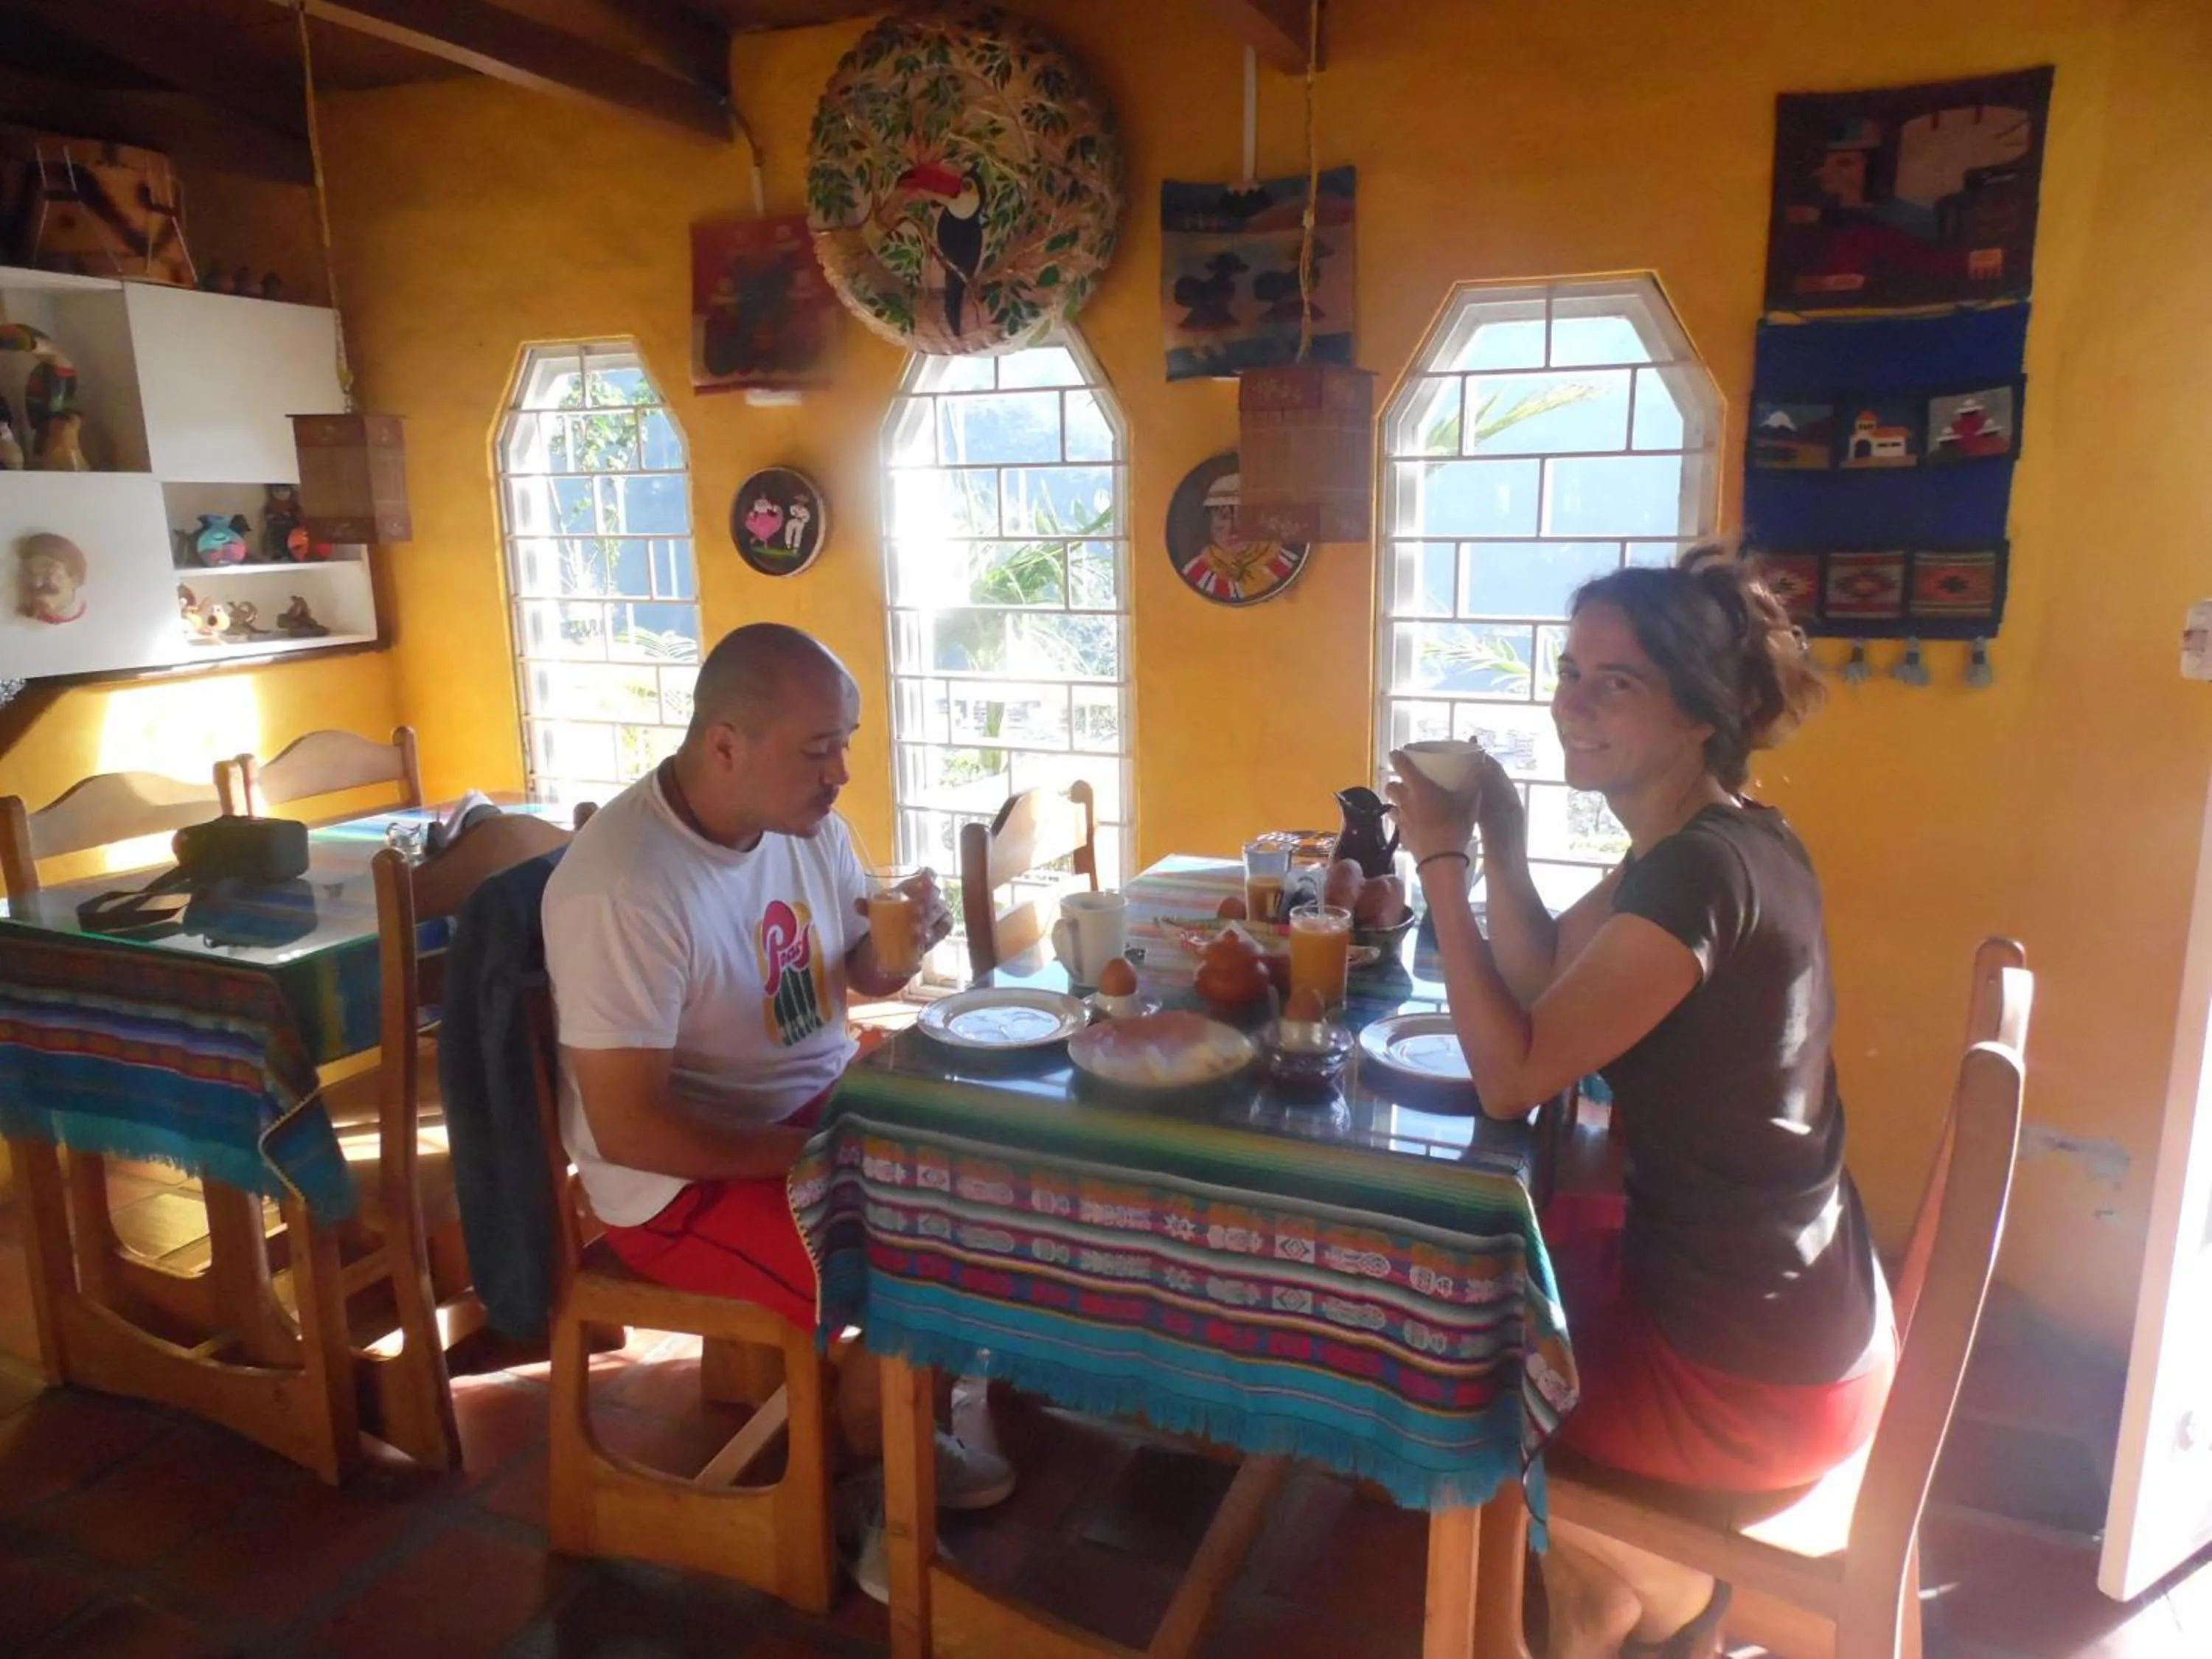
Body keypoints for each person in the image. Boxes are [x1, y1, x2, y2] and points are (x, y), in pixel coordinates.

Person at [1385, 547, 1891, 1659]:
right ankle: (1618, 1592)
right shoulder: (1723, 837)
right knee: (1524, 1264)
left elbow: (1513, 1073)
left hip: (1749, 1374)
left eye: (1614, 682)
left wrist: (1438, 862)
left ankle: (1636, 1591)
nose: (1572, 703)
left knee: (1455, 1358)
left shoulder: (1696, 874)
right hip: (1801, 1317)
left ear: (1702, 713)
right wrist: (1500, 840)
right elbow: (1541, 983)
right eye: (1570, 673)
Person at [543, 622, 1015, 1600]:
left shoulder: (807, 828)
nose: (841, 772)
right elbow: (631, 1131)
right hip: (679, 1184)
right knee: (910, 1257)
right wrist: (829, 1153)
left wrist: (898, 950)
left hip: (813, 1111)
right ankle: (876, 1490)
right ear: (725, 744)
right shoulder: (623, 886)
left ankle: (902, 1416)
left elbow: (855, 978)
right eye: (819, 750)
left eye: (845, 743)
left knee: (995, 1167)